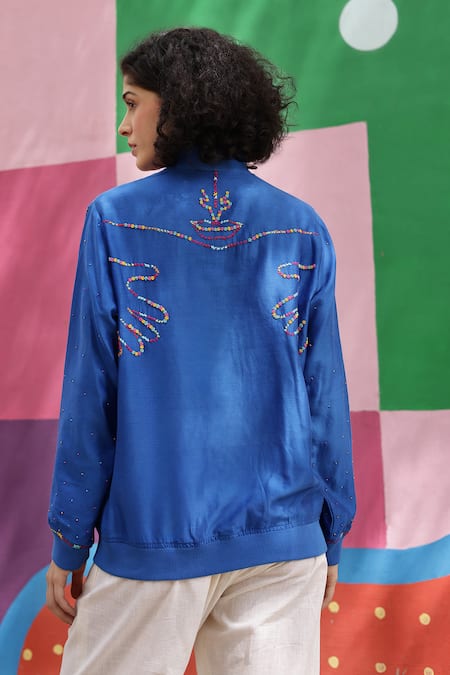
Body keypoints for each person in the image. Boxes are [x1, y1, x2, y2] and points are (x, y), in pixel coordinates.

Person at [46, 27, 356, 675]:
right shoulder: (302, 226)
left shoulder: (115, 219)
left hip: (155, 539)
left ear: (179, 104)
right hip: (284, 543)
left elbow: (91, 392)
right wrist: (328, 535)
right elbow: (325, 397)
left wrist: (70, 538)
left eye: (133, 103)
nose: (124, 125)